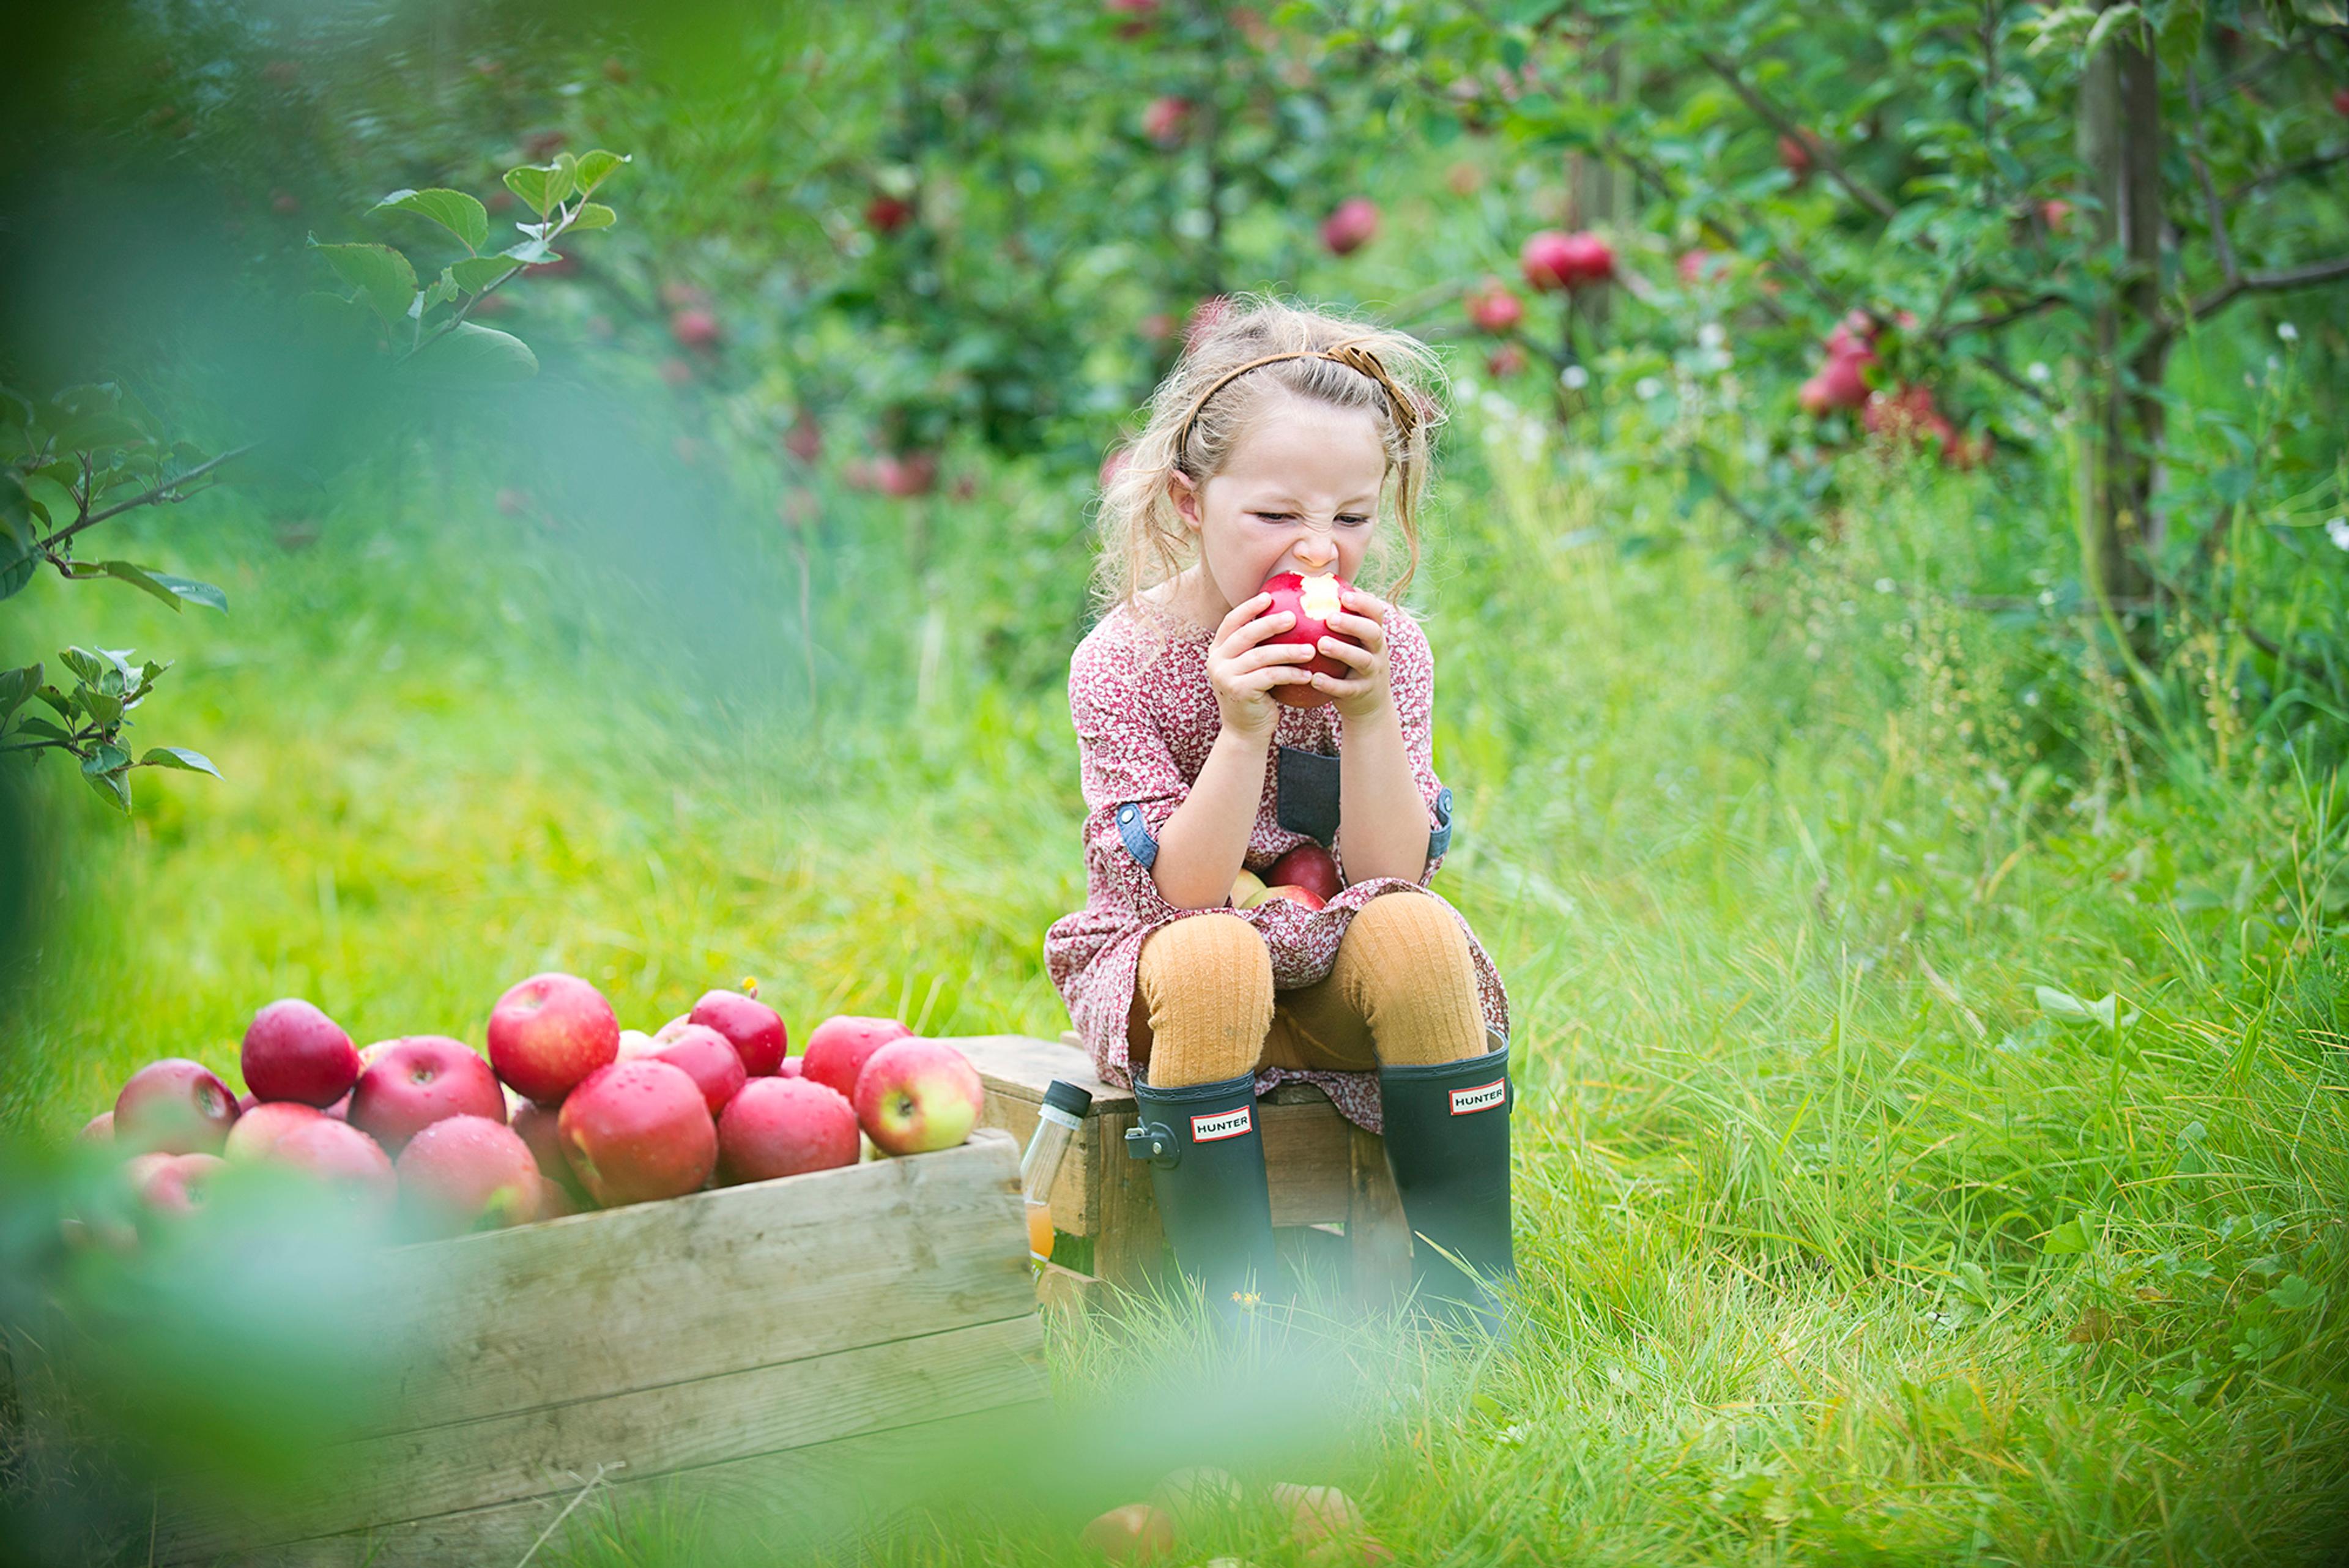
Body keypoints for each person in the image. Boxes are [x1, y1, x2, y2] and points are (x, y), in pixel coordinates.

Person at [1043, 295, 1513, 1330]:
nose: (1317, 554)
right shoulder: (1121, 662)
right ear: (1187, 502)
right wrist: (1242, 725)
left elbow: (1392, 873)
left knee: (1422, 928)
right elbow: (1184, 897)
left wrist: (1371, 714)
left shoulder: (1387, 653)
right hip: (1178, 978)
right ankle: (1237, 1322)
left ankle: (1465, 1306)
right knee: (1217, 951)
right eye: (1274, 517)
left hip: (1326, 959)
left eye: (1350, 519)